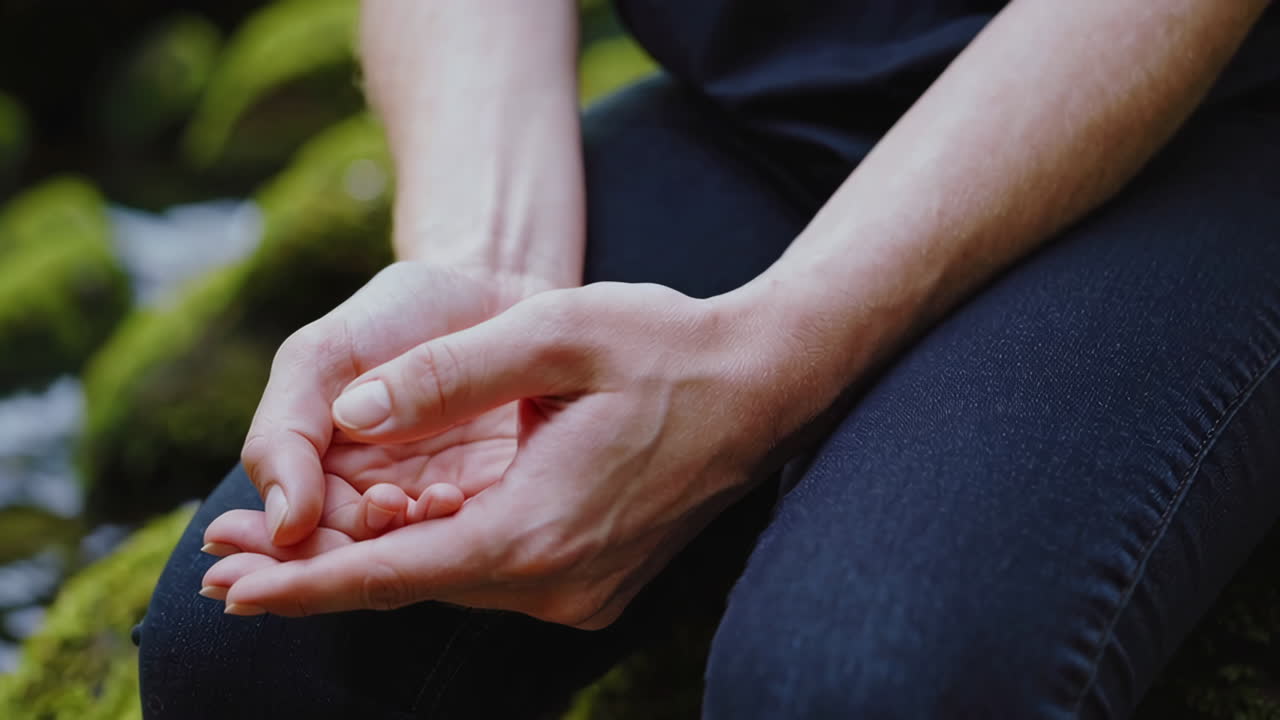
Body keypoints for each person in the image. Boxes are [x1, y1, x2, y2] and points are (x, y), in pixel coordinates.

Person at [136, 0, 1280, 717]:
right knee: (251, 662)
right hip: (756, 107)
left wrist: (771, 361)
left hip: (1202, 130)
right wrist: (488, 281)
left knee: (856, 687)